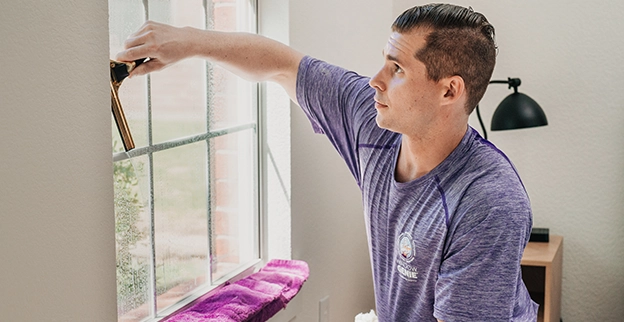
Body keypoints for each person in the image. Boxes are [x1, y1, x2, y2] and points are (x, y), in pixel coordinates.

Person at [117, 3, 538, 321]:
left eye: (397, 69)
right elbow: (283, 65)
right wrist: (188, 42)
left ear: (449, 91)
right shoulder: (375, 125)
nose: (375, 79)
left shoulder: (489, 202)